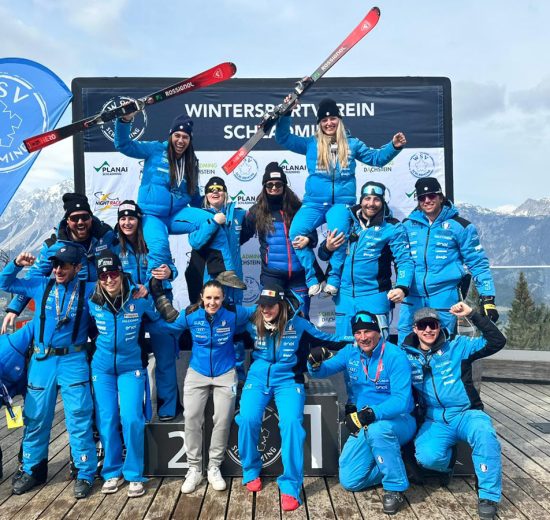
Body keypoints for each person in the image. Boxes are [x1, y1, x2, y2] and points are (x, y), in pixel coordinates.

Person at [114, 112, 246, 321]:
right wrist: (124, 121)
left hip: (176, 213)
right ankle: (160, 295)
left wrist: (210, 207)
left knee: (211, 220)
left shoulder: (191, 162)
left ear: (190, 140)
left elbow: (193, 195)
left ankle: (224, 271)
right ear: (170, 136)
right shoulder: (155, 149)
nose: (181, 140)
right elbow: (124, 145)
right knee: (159, 248)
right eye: (177, 136)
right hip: (152, 215)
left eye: (185, 137)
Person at [275, 97, 407, 296]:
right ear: (319, 123)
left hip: (341, 204)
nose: (329, 123)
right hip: (314, 203)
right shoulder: (312, 144)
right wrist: (286, 113)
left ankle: (333, 278)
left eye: (333, 119)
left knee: (338, 236)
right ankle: (314, 277)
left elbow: (376, 159)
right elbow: (283, 138)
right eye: (324, 120)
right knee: (295, 233)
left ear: (339, 120)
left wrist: (393, 146)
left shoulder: (352, 144)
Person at [237, 284, 348, 511]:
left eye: (270, 306)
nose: (265, 310)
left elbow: (327, 339)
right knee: (247, 418)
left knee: (291, 424)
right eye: (262, 305)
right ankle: (250, 469)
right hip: (257, 378)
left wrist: (357, 338)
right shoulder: (253, 320)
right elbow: (225, 317)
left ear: (281, 305)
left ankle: (290, 485)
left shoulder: (298, 324)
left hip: (288, 380)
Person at [0, 244, 97, 498]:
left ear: (78, 267)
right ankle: (33, 469)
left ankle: (85, 471)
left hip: (74, 359)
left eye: (64, 265)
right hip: (42, 360)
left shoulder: (89, 289)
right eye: (55, 264)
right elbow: (4, 282)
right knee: (36, 417)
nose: (58, 269)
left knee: (79, 416)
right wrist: (16, 264)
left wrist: (145, 287)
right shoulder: (40, 285)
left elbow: (119, 289)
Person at [401, 304, 506, 520]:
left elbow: (497, 341)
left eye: (433, 325)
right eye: (423, 325)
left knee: (485, 434)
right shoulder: (405, 355)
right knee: (427, 458)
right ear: (414, 329)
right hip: (434, 418)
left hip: (466, 413)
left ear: (439, 327)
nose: (428, 330)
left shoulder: (458, 345)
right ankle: (449, 463)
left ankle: (488, 495)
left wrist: (472, 314)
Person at [308, 311, 416, 515]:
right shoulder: (350, 352)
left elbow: (401, 401)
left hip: (398, 420)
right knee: (350, 480)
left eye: (368, 331)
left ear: (378, 332)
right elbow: (322, 371)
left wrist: (370, 414)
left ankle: (395, 487)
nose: (363, 337)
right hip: (366, 422)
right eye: (358, 333)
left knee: (378, 431)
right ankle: (399, 461)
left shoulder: (395, 356)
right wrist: (314, 361)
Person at [167, 280, 255, 494]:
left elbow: (261, 309)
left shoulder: (234, 313)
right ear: (201, 297)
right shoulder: (191, 314)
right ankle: (194, 468)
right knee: (191, 417)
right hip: (197, 372)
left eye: (217, 298)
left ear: (223, 298)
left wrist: (290, 306)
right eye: (208, 298)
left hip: (225, 373)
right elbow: (168, 326)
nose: (212, 302)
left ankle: (214, 466)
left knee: (222, 419)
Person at [88, 250, 162, 498]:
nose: (109, 279)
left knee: (131, 418)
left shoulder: (138, 298)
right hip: (102, 369)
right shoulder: (92, 300)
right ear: (98, 279)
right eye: (103, 276)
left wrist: (148, 292)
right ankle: (111, 471)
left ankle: (134, 473)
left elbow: (156, 316)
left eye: (113, 274)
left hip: (131, 368)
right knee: (107, 419)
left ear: (121, 273)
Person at [398, 177, 498, 343]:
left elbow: (478, 264)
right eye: (422, 197)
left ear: (440, 197)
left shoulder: (461, 226)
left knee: (442, 345)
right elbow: (400, 258)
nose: (427, 200)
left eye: (431, 195)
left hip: (444, 296)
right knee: (406, 344)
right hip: (412, 297)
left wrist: (488, 298)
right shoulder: (407, 225)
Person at [2, 192, 115, 333]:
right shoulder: (54, 245)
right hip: (74, 306)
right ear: (67, 220)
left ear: (91, 218)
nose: (80, 222)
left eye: (85, 217)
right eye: (75, 218)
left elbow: (124, 264)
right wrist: (15, 308)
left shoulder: (106, 235)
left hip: (102, 304)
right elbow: (35, 275)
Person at [319, 181, 414, 340]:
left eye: (376, 199)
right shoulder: (347, 221)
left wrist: (402, 287)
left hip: (374, 296)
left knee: (376, 347)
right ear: (361, 200)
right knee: (345, 346)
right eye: (367, 198)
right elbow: (323, 255)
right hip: (344, 297)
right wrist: (327, 247)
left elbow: (404, 260)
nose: (371, 203)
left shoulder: (392, 227)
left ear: (383, 201)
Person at [113, 200, 180, 420]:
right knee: (134, 361)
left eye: (131, 218)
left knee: (165, 357)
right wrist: (133, 287)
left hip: (159, 305)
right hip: (131, 307)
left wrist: (169, 272)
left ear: (139, 220)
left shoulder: (151, 239)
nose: (127, 223)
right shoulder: (115, 245)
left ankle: (168, 407)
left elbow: (172, 268)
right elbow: (110, 276)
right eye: (123, 218)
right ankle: (136, 410)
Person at [241, 162, 323, 318]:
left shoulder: (298, 209)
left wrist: (308, 239)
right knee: (270, 319)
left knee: (301, 317)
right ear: (264, 187)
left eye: (278, 184)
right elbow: (240, 237)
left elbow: (313, 236)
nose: (274, 188)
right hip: (272, 277)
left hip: (299, 275)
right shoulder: (256, 211)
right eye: (270, 184)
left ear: (284, 186)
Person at [185, 177, 247, 306]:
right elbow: (195, 242)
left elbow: (248, 232)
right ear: (206, 196)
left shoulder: (239, 215)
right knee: (210, 312)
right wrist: (213, 222)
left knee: (232, 314)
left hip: (233, 276)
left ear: (225, 193)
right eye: (210, 190)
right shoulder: (197, 215)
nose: (215, 191)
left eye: (219, 189)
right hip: (208, 276)